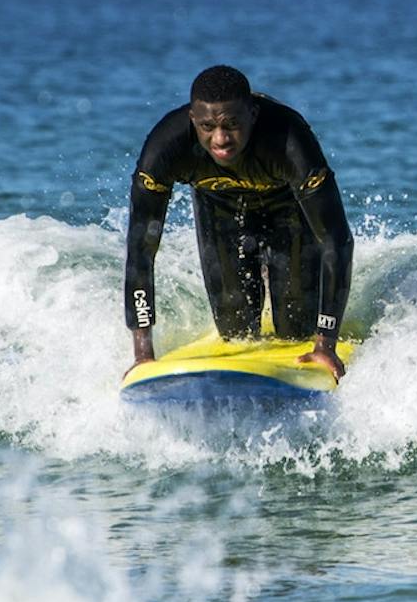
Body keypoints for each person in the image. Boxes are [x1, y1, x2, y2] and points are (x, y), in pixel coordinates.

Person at [125, 65, 354, 380]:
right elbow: (141, 250)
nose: (220, 138)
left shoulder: (289, 140)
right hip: (218, 209)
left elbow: (336, 241)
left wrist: (326, 343)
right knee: (236, 332)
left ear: (253, 114)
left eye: (231, 124)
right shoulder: (166, 148)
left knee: (296, 330)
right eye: (207, 126)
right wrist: (143, 355)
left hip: (286, 209)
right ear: (193, 119)